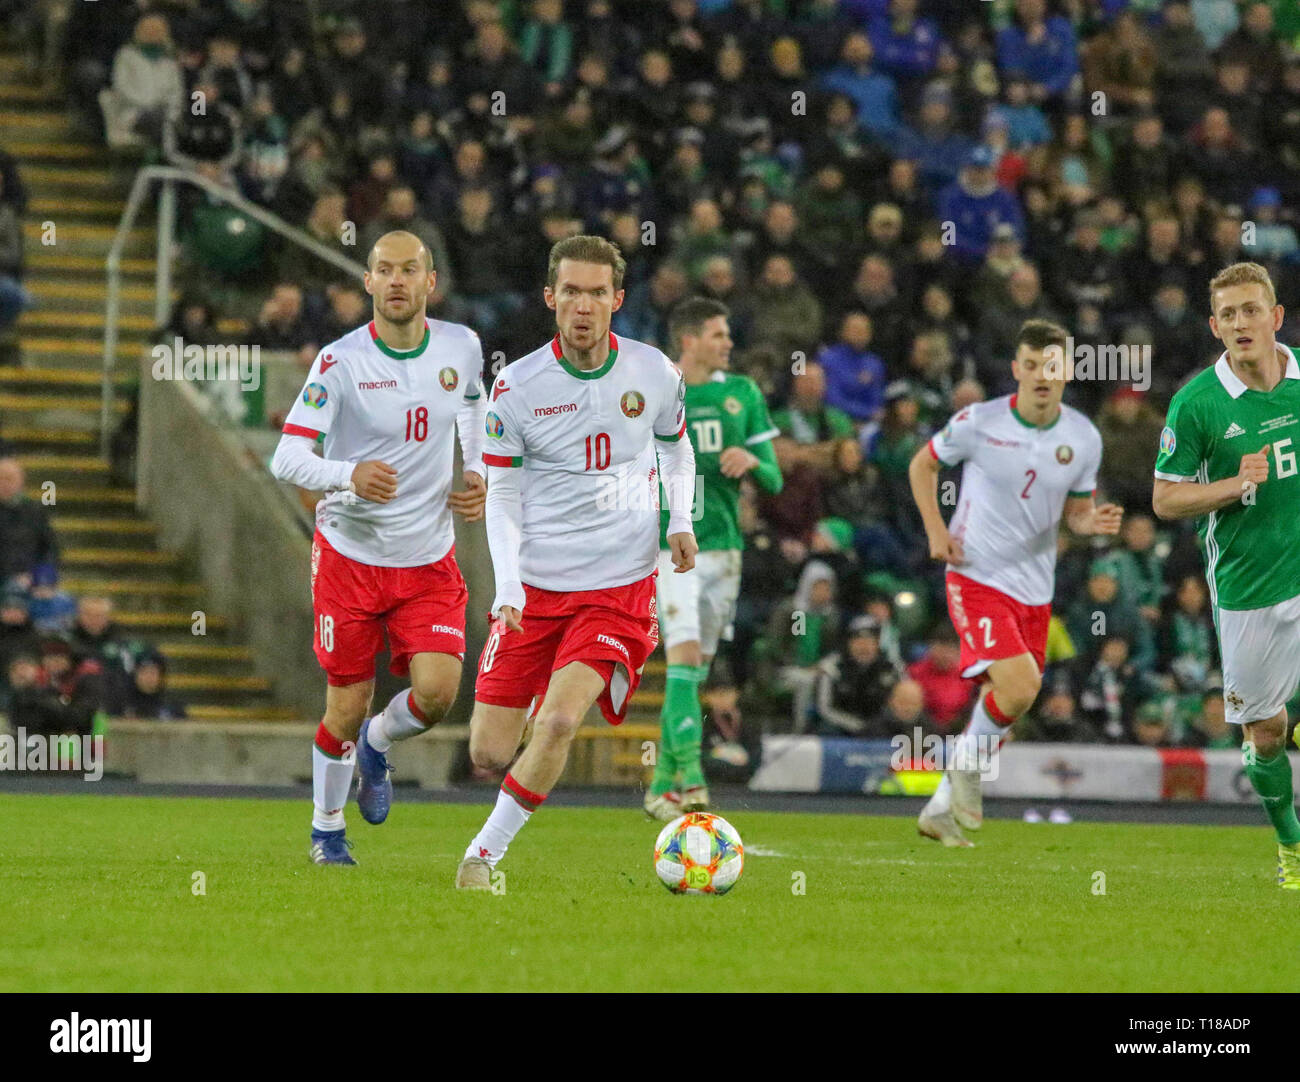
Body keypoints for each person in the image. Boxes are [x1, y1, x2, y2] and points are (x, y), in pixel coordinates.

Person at [456, 234, 697, 890]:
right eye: (571, 291)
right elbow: (501, 495)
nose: (583, 305)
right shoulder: (519, 386)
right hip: (535, 588)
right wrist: (506, 586)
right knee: (488, 751)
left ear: (617, 300)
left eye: (597, 292)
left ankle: (482, 856)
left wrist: (680, 518)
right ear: (550, 298)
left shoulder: (654, 372)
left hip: (617, 586)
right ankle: (540, 696)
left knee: (560, 721)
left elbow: (676, 448)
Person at [270, 230, 488, 866]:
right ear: (368, 283)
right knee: (344, 704)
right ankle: (327, 830)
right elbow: (287, 454)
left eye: (409, 270)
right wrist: (347, 474)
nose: (397, 280)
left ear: (429, 283)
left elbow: (473, 405)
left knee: (442, 692)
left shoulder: (462, 346)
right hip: (351, 560)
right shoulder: (340, 362)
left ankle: (379, 743)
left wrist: (474, 470)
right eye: (384, 270)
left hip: (427, 559)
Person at [909, 319, 1122, 847]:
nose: (1042, 377)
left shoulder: (1083, 437)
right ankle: (965, 775)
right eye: (1031, 366)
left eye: (1052, 366)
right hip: (976, 574)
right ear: (1016, 370)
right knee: (1021, 686)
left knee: (1012, 701)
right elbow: (922, 466)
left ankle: (938, 810)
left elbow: (1075, 512)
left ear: (1067, 371)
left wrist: (1088, 523)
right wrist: (937, 530)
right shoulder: (978, 422)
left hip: (1035, 589)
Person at [1152, 260, 1300, 889]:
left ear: (1276, 317)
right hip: (1248, 588)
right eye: (1229, 314)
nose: (1242, 323)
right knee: (1267, 733)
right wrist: (1233, 485)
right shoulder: (1197, 405)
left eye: (1252, 310)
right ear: (1216, 327)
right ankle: (1292, 844)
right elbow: (1164, 499)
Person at [644, 297, 782, 821]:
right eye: (719, 334)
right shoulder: (657, 393)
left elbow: (774, 477)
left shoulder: (742, 394)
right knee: (681, 661)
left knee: (692, 676)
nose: (728, 343)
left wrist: (751, 460)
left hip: (725, 553)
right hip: (672, 548)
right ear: (690, 339)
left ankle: (661, 788)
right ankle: (695, 784)